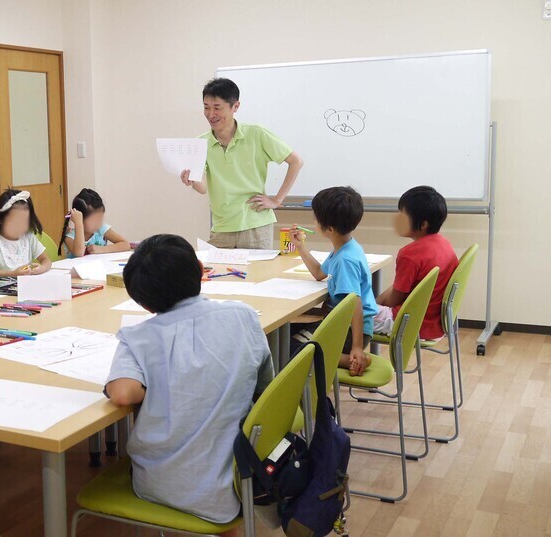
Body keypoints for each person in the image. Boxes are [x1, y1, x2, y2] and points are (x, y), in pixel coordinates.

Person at [105, 234, 272, 534]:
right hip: (238, 479)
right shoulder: (244, 316)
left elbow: (122, 393)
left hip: (162, 485)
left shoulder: (137, 337)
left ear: (143, 303)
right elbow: (264, 390)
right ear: (199, 268)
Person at [180, 78, 304, 250]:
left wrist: (277, 200)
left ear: (235, 106)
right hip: (221, 227)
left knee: (258, 276)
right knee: (219, 276)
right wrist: (191, 181)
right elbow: (203, 188)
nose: (210, 114)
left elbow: (296, 161)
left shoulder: (256, 134)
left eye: (217, 108)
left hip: (255, 225)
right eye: (206, 107)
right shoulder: (200, 143)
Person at [290, 186, 379, 376]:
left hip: (349, 330)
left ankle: (348, 359)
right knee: (284, 335)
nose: (313, 223)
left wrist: (356, 347)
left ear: (329, 229)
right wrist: (300, 247)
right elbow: (318, 273)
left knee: (288, 349)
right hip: (343, 325)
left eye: (315, 219)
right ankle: (342, 355)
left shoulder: (345, 260)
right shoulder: (345, 247)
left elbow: (354, 303)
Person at [375, 186, 459, 339]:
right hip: (435, 323)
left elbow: (395, 299)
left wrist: (376, 304)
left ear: (423, 224)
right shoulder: (444, 244)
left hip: (408, 321)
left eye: (403, 215)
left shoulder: (409, 254)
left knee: (349, 314)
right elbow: (400, 287)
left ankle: (349, 358)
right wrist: (377, 302)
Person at [0, 189, 52, 278]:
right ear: (0, 219)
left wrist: (41, 268)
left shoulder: (28, 238)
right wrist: (12, 274)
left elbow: (46, 260)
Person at [60, 188, 131, 258]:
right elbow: (79, 253)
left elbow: (125, 244)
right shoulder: (70, 236)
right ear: (80, 218)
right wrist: (78, 224)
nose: (98, 223)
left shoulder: (101, 229)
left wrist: (102, 249)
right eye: (94, 220)